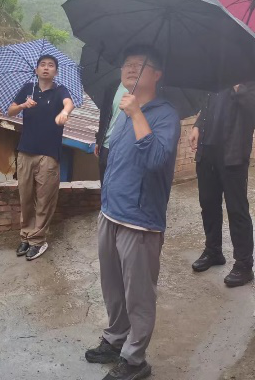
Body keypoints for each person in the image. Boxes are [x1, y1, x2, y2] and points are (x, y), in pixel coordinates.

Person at [85, 45, 180, 380]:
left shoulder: (166, 115)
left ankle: (136, 360)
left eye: (140, 65)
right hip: (111, 212)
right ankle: (115, 339)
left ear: (158, 74)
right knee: (112, 287)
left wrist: (137, 114)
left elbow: (155, 161)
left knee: (138, 295)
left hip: (139, 222)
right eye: (126, 63)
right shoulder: (124, 108)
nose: (130, 68)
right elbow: (115, 156)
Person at [7, 54, 75, 261]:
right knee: (26, 197)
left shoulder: (60, 90)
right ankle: (26, 236)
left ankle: (37, 240)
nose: (46, 68)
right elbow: (10, 111)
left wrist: (64, 113)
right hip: (26, 151)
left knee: (45, 199)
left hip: (49, 154)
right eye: (42, 65)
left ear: (56, 71)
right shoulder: (28, 89)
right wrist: (23, 105)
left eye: (51, 65)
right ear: (36, 70)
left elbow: (69, 103)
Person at [189, 83, 255, 287]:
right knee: (208, 204)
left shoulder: (248, 77)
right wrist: (197, 125)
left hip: (232, 153)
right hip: (207, 150)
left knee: (237, 209)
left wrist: (239, 89)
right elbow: (208, 104)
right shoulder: (218, 76)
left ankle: (244, 265)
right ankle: (213, 251)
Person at [95, 80, 129, 183]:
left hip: (128, 148)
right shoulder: (112, 87)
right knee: (105, 184)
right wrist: (99, 140)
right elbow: (104, 115)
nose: (131, 71)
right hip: (107, 145)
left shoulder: (143, 91)